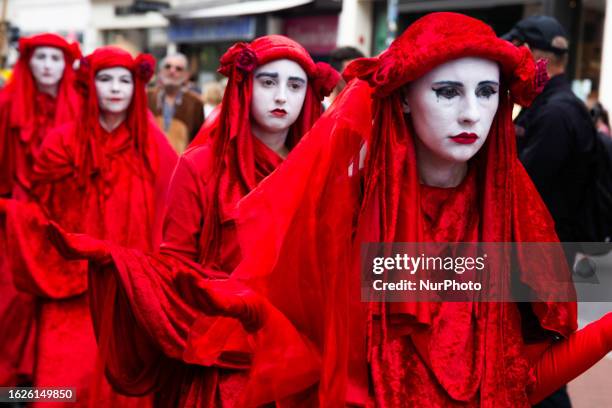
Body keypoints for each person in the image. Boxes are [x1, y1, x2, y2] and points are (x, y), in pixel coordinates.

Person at [171, 12, 611, 406]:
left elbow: (518, 380)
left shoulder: (512, 217)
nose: (472, 114)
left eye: (488, 92)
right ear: (402, 97)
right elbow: (303, 361)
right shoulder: (345, 210)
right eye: (447, 91)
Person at [44, 35, 339, 406]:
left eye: (295, 86)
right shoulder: (200, 165)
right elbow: (176, 266)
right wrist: (118, 259)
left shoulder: (322, 171)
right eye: (268, 82)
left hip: (304, 357)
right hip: (225, 354)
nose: (282, 96)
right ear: (244, 87)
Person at [0, 46, 177, 406]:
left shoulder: (154, 146)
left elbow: (174, 209)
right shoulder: (61, 142)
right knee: (60, 386)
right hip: (71, 286)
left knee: (123, 381)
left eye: (125, 80)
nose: (115, 88)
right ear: (89, 85)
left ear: (136, 88)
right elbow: (43, 214)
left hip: (129, 286)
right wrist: (9, 212)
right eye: (105, 79)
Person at [0, 33, 80, 388]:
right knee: (12, 301)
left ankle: (48, 381)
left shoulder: (80, 106)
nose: (48, 65)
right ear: (28, 62)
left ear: (66, 65)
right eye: (41, 57)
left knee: (59, 308)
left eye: (56, 58)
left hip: (63, 224)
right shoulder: (5, 106)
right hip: (12, 222)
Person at [147, 52, 204, 153]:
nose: (172, 71)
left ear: (186, 75)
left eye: (179, 68)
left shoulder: (195, 103)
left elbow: (199, 140)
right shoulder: (146, 97)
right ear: (160, 72)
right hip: (150, 163)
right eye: (168, 66)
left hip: (180, 164)